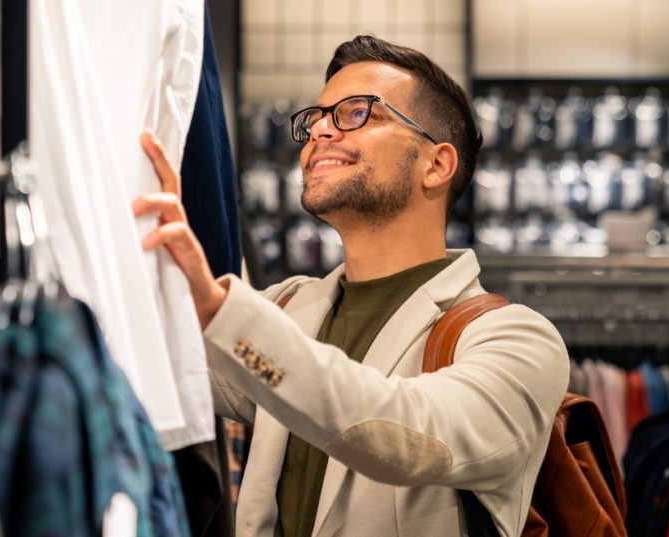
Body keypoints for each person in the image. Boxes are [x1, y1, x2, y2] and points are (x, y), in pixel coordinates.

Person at [132, 33, 569, 537]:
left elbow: (412, 436)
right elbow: (152, 363)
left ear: (437, 164)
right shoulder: (290, 307)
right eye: (315, 117)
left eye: (358, 112)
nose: (320, 129)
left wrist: (220, 310)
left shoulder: (516, 340)